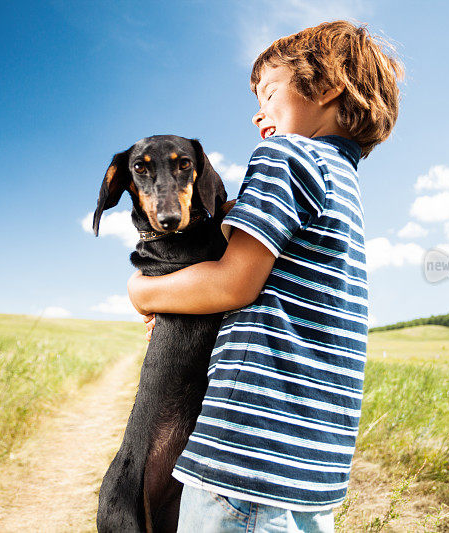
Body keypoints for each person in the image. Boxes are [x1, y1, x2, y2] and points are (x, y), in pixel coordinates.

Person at [128, 20, 403, 532]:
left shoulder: (287, 157)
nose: (259, 111)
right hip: (311, 472)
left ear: (326, 87)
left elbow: (233, 283)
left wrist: (145, 291)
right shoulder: (344, 183)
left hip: (244, 460)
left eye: (269, 92)